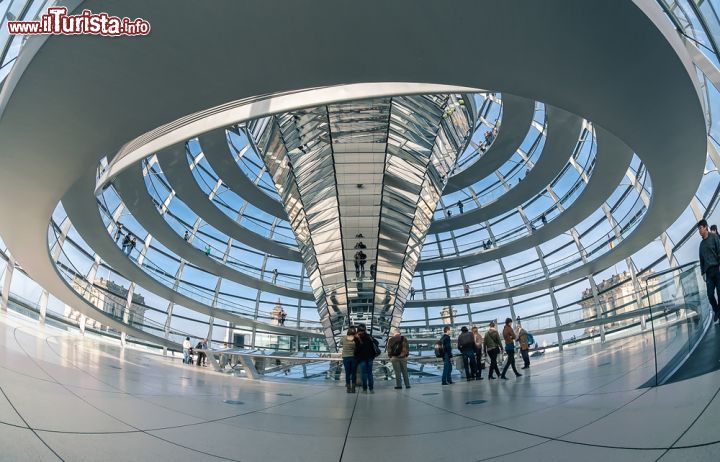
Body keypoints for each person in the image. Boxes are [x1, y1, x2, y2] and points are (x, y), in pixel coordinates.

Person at [698, 219, 720, 323]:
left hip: (717, 269)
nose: (699, 231)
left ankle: (718, 313)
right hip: (708, 274)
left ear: (706, 227)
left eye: (700, 228)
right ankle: (716, 311)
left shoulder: (714, 237)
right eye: (698, 229)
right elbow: (701, 260)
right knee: (710, 295)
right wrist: (703, 272)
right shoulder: (701, 245)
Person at [354, 325, 377, 393]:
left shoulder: (357, 338)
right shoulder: (369, 336)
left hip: (362, 359)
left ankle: (364, 389)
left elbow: (357, 349)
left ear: (358, 330)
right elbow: (376, 343)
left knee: (364, 374)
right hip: (370, 358)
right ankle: (371, 389)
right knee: (370, 373)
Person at [341, 327, 357, 393]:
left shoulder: (344, 338)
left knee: (347, 373)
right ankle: (353, 388)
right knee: (353, 373)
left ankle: (348, 388)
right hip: (353, 357)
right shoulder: (356, 339)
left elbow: (341, 343)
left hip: (346, 357)